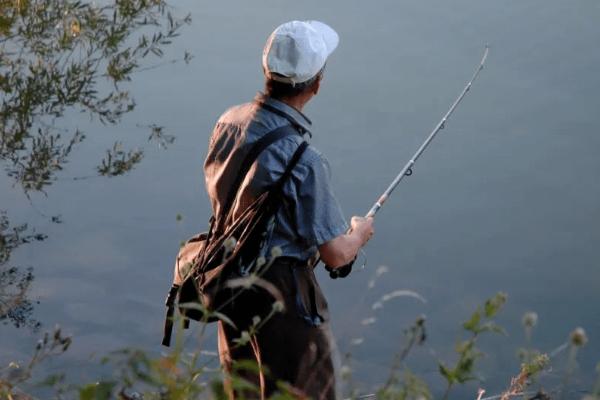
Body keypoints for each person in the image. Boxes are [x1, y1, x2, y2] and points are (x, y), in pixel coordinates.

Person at [203, 20, 374, 400]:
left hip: (229, 275)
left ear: (267, 71)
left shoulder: (227, 122)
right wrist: (360, 231)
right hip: (281, 293)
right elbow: (335, 253)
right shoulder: (305, 158)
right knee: (306, 391)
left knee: (242, 390)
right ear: (316, 84)